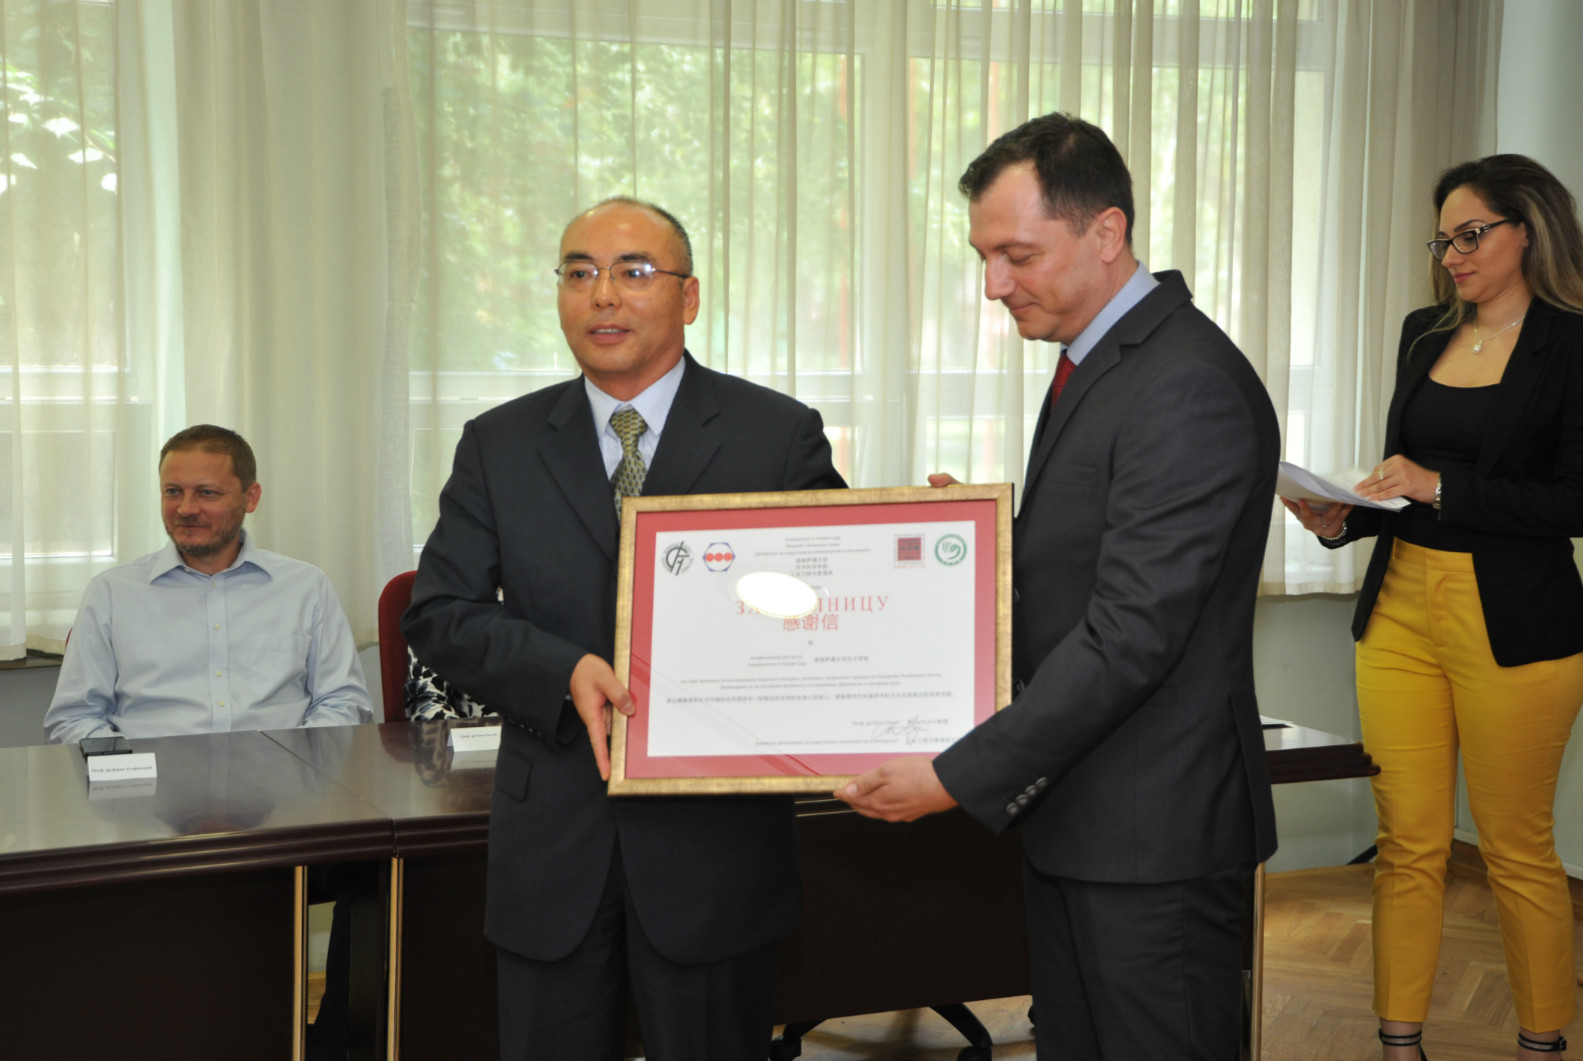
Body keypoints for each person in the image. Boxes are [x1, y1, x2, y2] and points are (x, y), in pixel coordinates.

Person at [836, 112, 1280, 1061]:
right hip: (1082, 817)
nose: (994, 285)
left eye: (1017, 255)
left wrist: (954, 774)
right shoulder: (1101, 359)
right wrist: (973, 547)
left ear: (1105, 232)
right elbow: (1096, 553)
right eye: (983, 257)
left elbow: (1130, 633)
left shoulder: (1184, 382)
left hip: (1150, 834)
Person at [402, 197, 846, 1061]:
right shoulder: (499, 442)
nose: (602, 294)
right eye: (579, 273)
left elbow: (823, 599)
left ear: (689, 296)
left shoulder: (774, 434)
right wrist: (560, 668)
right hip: (553, 840)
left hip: (714, 848)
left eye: (633, 271)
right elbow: (440, 611)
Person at [1282, 154, 1583, 1061]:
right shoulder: (1424, 333)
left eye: (1469, 235)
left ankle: (1540, 1042)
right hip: (1399, 613)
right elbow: (1402, 482)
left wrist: (1440, 487)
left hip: (1514, 623)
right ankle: (1397, 1041)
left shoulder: (1571, 343)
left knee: (1514, 847)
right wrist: (1342, 516)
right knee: (1407, 841)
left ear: (1527, 230)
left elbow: (1571, 502)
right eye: (1441, 240)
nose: (1450, 255)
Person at [45, 424, 372, 743]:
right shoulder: (112, 593)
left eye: (207, 493)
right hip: (153, 775)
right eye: (173, 491)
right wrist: (129, 768)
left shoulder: (305, 587)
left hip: (278, 773)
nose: (186, 509)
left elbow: (343, 702)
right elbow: (74, 718)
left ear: (250, 498)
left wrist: (295, 763)